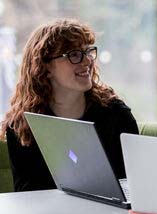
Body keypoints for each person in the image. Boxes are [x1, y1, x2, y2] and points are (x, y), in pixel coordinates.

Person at [0, 19, 139, 192]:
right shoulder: (22, 125)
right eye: (74, 54)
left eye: (88, 51)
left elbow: (136, 183)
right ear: (46, 67)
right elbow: (26, 195)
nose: (87, 61)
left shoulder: (116, 115)